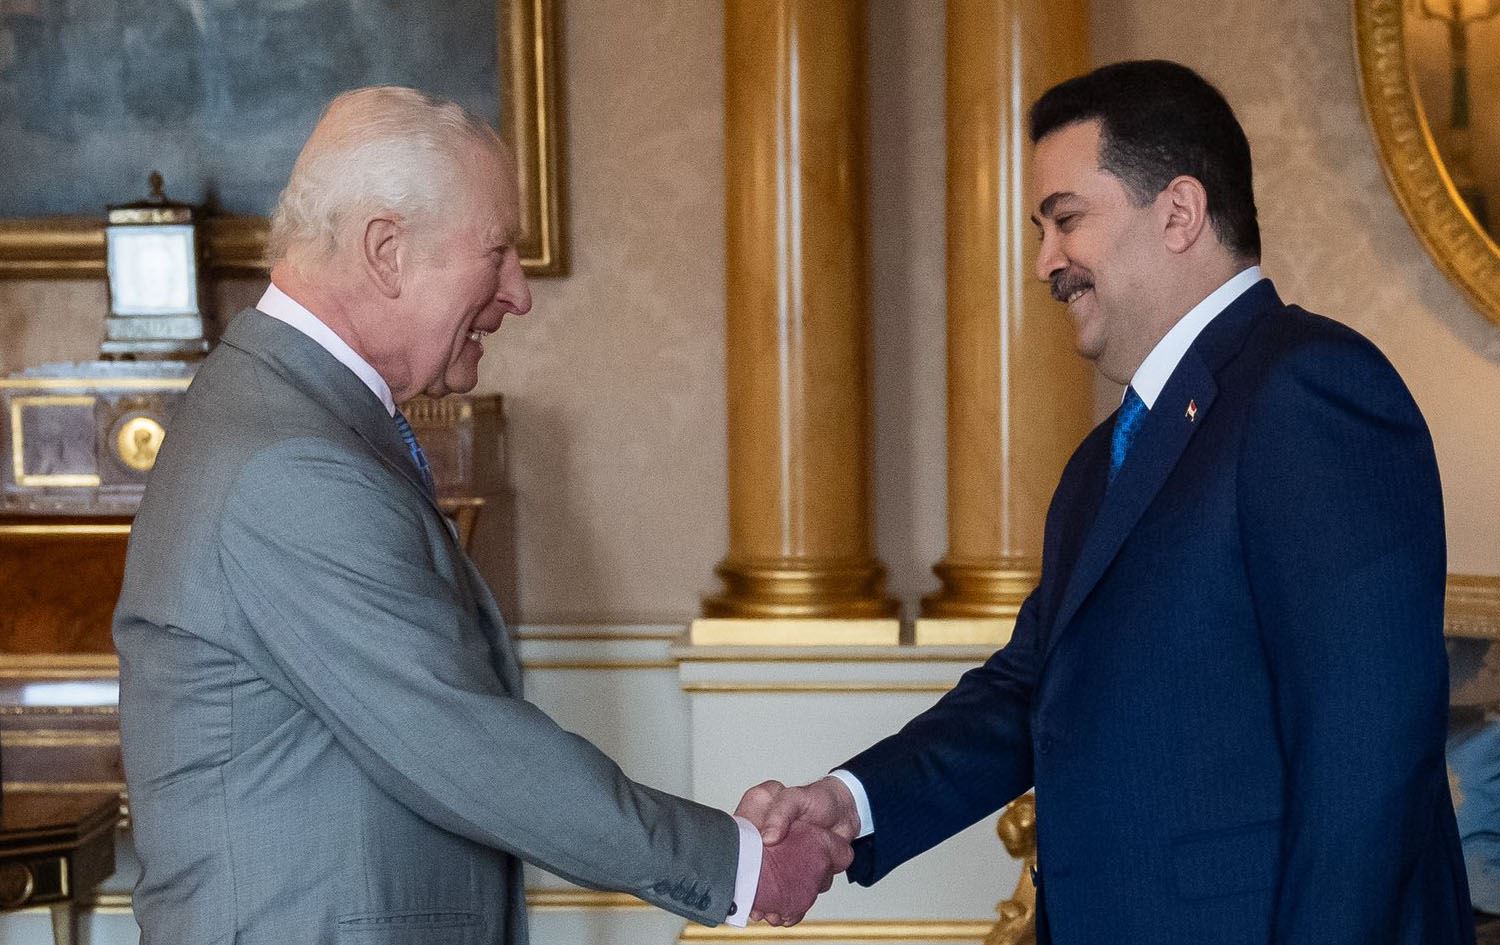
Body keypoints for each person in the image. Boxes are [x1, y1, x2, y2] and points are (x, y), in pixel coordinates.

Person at [737, 60, 1474, 944]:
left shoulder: (1308, 388)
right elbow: (1028, 692)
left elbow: (1368, 752)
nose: (1045, 261)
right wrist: (848, 802)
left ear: (1179, 212)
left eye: (1066, 219)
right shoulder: (1101, 462)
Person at [113, 86, 851, 945]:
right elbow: (460, 741)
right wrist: (739, 864)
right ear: (386, 251)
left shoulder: (290, 415)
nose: (518, 294)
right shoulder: (291, 464)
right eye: (497, 252)